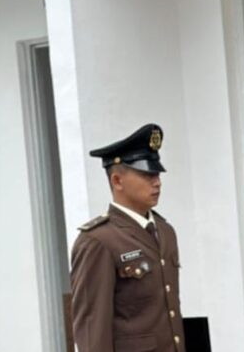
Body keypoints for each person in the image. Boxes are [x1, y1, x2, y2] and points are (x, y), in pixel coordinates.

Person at [70, 123, 186, 352]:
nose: (157, 182)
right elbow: (93, 332)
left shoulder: (164, 232)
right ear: (117, 181)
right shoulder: (98, 241)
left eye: (157, 173)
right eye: (146, 174)